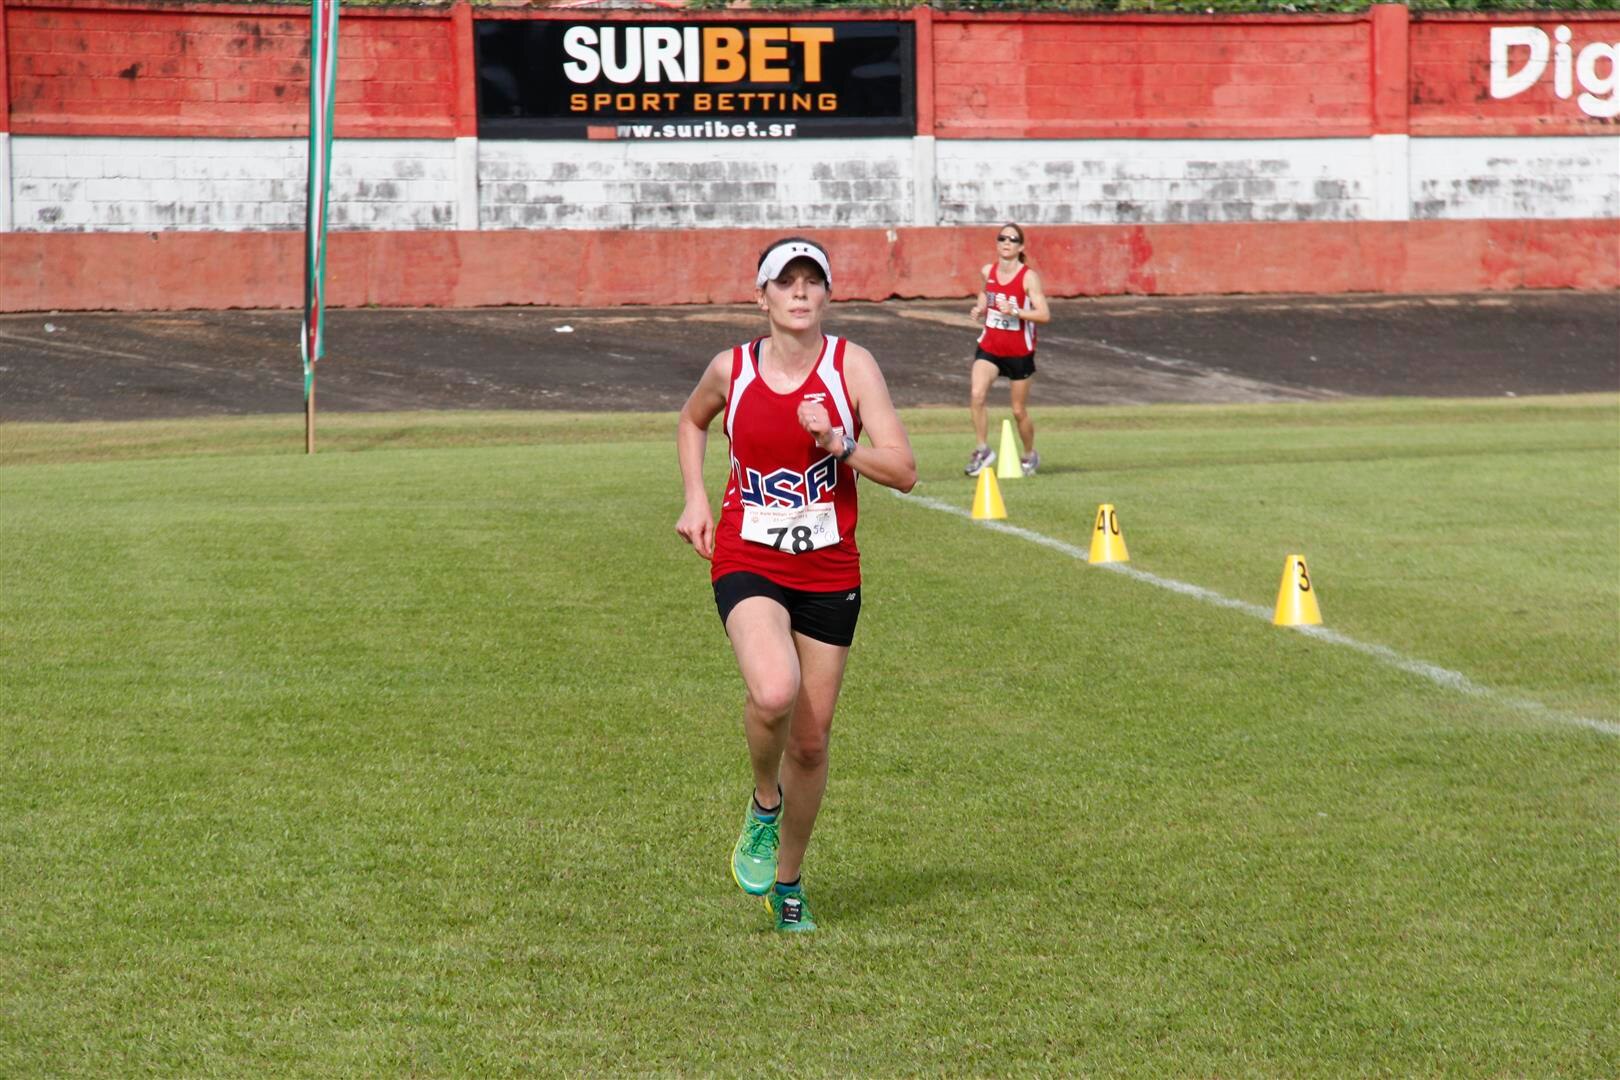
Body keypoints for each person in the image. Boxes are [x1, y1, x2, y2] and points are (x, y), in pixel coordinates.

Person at [675, 236, 917, 933]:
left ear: (828, 296)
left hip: (829, 567)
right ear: (763, 298)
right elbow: (691, 422)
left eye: (813, 282)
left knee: (811, 743)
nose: (801, 293)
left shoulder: (853, 367)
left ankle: (789, 883)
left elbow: (904, 470)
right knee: (773, 689)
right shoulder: (733, 368)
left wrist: (839, 442)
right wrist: (695, 497)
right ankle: (762, 802)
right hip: (749, 556)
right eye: (787, 283)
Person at [964, 222, 1051, 476]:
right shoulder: (987, 271)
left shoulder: (1028, 277)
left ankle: (1029, 454)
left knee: (1018, 410)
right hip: (990, 347)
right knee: (977, 394)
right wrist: (980, 308)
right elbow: (985, 293)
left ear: (1020, 246)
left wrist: (1015, 311)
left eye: (1012, 240)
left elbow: (1044, 314)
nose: (1006, 243)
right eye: (1002, 238)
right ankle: (982, 449)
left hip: (1019, 353)